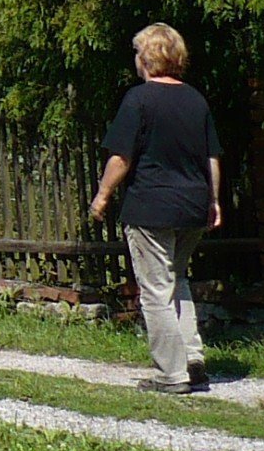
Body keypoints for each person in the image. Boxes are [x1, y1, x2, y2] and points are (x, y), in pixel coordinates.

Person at [88, 23, 223, 394]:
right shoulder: (196, 100)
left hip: (151, 207)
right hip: (192, 206)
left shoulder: (139, 99)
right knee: (177, 281)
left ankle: (171, 374)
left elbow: (121, 157)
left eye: (137, 53)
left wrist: (102, 196)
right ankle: (193, 361)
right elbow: (211, 157)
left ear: (147, 57)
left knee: (155, 290)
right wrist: (213, 201)